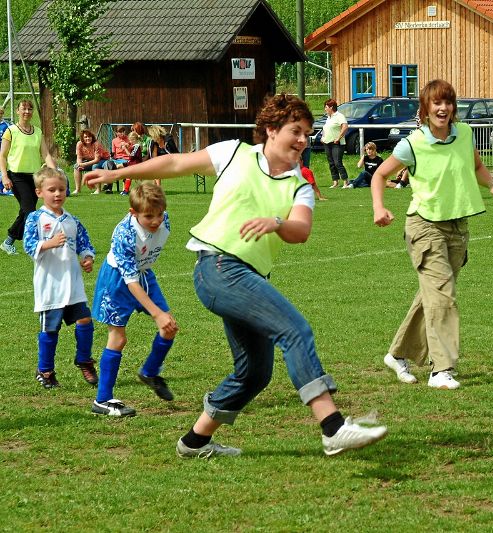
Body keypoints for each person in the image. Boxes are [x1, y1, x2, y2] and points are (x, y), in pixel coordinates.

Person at [85, 93, 387, 457]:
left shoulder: (300, 186)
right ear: (272, 130)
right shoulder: (234, 153)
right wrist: (118, 173)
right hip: (216, 268)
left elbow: (300, 231)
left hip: (249, 279)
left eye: (308, 133)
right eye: (296, 131)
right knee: (295, 330)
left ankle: (194, 442)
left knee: (255, 373)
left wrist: (276, 223)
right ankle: (332, 428)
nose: (304, 140)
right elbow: (177, 162)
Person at [371, 79, 493, 390]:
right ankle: (441, 370)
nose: (443, 108)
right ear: (426, 108)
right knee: (443, 295)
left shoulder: (465, 133)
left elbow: (476, 166)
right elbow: (379, 174)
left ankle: (398, 354)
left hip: (458, 225)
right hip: (424, 225)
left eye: (448, 102)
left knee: (434, 296)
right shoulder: (412, 144)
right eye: (436, 103)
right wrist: (379, 206)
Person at [90, 183, 178, 417]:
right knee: (118, 339)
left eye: (159, 214)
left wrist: (161, 316)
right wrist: (156, 314)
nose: (156, 221)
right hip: (117, 281)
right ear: (133, 213)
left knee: (169, 328)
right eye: (148, 216)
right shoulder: (124, 234)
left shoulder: (165, 219)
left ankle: (149, 372)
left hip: (144, 274)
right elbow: (130, 282)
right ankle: (102, 400)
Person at [22, 168, 97, 389]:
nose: (57, 194)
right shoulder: (35, 218)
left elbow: (85, 243)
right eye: (51, 190)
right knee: (50, 330)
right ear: (39, 192)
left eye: (62, 189)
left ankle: (84, 359)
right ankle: (45, 370)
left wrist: (87, 258)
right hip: (50, 285)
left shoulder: (72, 220)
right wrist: (48, 243)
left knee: (85, 320)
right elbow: (28, 244)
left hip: (72, 283)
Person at [0, 99, 58, 255]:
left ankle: (8, 242)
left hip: (34, 177)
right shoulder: (10, 131)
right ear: (17, 111)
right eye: (23, 109)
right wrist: (4, 176)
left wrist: (56, 172)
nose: (27, 111)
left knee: (25, 211)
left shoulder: (38, 131)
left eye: (30, 109)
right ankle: (36, 244)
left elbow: (45, 154)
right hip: (16, 176)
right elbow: (3, 156)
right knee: (30, 211)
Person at [321, 99, 349, 188]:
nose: (325, 109)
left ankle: (345, 181)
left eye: (326, 107)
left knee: (337, 162)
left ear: (331, 107)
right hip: (327, 143)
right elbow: (326, 129)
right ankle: (335, 182)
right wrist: (323, 137)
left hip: (337, 143)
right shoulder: (328, 118)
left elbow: (345, 127)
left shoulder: (339, 116)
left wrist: (338, 137)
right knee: (331, 163)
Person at [73, 129, 111, 195]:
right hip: (90, 160)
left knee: (95, 166)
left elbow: (97, 160)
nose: (88, 138)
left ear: (92, 137)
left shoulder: (96, 144)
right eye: (85, 137)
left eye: (89, 136)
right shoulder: (79, 144)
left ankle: (98, 190)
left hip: (103, 160)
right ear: (82, 138)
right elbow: (79, 158)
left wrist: (84, 164)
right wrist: (80, 164)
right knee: (76, 166)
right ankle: (77, 189)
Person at [120, 131, 144, 196]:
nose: (130, 141)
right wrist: (126, 145)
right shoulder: (134, 145)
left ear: (134, 139)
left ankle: (126, 190)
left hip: (135, 164)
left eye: (130, 140)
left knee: (131, 177)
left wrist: (125, 149)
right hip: (132, 163)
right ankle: (126, 190)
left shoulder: (137, 146)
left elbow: (131, 156)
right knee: (129, 176)